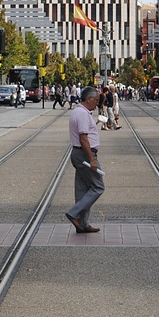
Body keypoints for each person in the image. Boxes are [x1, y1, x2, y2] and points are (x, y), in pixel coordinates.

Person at [65, 86, 104, 233]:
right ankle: (74, 214)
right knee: (98, 186)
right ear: (89, 99)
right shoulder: (82, 114)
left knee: (82, 189)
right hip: (84, 155)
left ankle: (82, 223)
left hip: (80, 154)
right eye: (96, 100)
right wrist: (92, 160)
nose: (97, 103)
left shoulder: (80, 112)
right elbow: (83, 139)